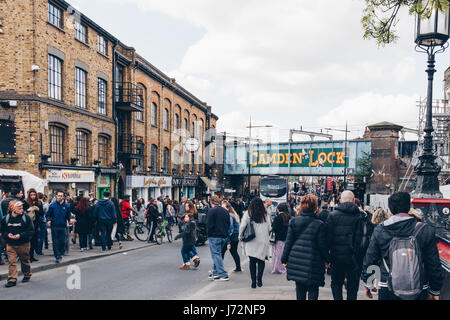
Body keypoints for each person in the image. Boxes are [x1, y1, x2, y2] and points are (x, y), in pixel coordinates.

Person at [361, 192, 443, 300]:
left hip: (388, 286)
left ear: (390, 209)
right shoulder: (424, 230)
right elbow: (433, 263)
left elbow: (371, 259)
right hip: (419, 287)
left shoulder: (380, 230)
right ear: (409, 207)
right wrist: (435, 290)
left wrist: (368, 283)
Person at [281, 194, 330, 300]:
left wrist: (284, 259)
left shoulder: (293, 221)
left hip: (297, 260)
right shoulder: (319, 224)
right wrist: (327, 260)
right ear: (315, 207)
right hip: (314, 261)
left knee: (300, 290)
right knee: (313, 289)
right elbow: (322, 246)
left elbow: (288, 242)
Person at [325, 190, 364, 300]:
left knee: (336, 284)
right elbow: (361, 240)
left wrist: (327, 259)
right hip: (353, 259)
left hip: (336, 258)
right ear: (353, 200)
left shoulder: (332, 216)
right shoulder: (359, 217)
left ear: (340, 200)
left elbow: (328, 239)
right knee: (352, 287)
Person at [0, 200, 35, 288]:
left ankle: (27, 274)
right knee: (12, 262)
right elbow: (3, 231)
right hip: (11, 244)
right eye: (19, 208)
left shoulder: (26, 217)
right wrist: (8, 235)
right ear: (13, 209)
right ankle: (12, 279)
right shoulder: (6, 218)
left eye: (22, 208)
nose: (22, 209)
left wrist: (20, 235)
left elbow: (31, 231)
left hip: (23, 244)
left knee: (25, 261)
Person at [239, 197, 271, 288]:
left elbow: (242, 226)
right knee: (261, 260)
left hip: (251, 240)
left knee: (252, 261)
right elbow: (269, 227)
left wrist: (240, 236)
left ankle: (253, 282)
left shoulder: (248, 213)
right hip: (263, 239)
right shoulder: (265, 214)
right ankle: (259, 280)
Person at [207, 196, 231, 282]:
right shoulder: (225, 211)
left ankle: (223, 274)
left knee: (216, 255)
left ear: (212, 202)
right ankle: (215, 273)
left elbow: (209, 225)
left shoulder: (211, 211)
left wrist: (208, 234)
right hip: (223, 236)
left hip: (214, 236)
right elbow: (228, 224)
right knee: (218, 255)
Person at [46, 191, 73, 263]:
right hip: (54, 226)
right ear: (56, 196)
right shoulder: (52, 205)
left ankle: (61, 252)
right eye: (58, 196)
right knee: (55, 242)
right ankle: (57, 255)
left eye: (61, 196)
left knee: (63, 241)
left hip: (63, 226)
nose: (59, 197)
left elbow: (68, 215)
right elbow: (48, 215)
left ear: (63, 197)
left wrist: (70, 220)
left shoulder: (67, 206)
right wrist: (48, 220)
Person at [221, 200, 242, 273]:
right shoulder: (234, 214)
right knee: (233, 251)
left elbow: (230, 227)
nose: (222, 208)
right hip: (235, 236)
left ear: (227, 208)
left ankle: (219, 267)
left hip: (231, 236)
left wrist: (228, 238)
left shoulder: (229, 215)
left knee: (222, 252)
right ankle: (238, 267)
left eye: (223, 207)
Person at [271, 203, 290, 274]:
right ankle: (282, 268)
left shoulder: (278, 217)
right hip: (286, 237)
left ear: (278, 209)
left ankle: (276, 268)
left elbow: (274, 227)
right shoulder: (288, 216)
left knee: (276, 254)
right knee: (282, 253)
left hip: (278, 238)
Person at [25, 189, 44, 262]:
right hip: (28, 224)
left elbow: (42, 213)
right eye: (31, 195)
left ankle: (32, 256)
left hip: (36, 224)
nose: (33, 196)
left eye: (34, 195)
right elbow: (22, 212)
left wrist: (38, 209)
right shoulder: (26, 202)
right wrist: (28, 210)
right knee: (28, 240)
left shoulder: (39, 202)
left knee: (34, 240)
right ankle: (27, 256)